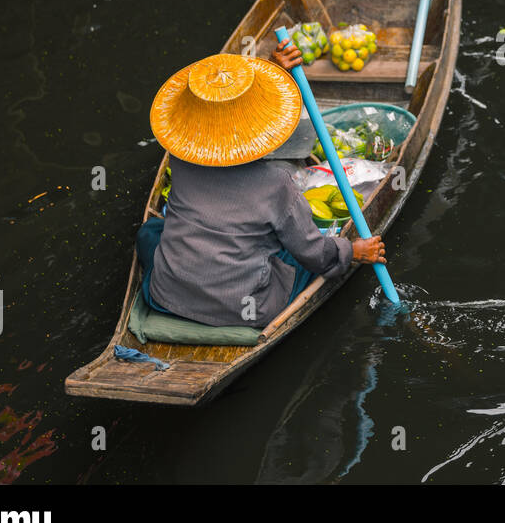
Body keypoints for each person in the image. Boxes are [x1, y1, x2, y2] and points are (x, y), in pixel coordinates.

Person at [135, 41, 386, 329]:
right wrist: (352, 252)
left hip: (165, 297)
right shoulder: (275, 184)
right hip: (245, 309)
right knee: (308, 260)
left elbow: (224, 126)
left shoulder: (181, 161)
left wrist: (274, 70)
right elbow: (313, 253)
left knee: (150, 232)